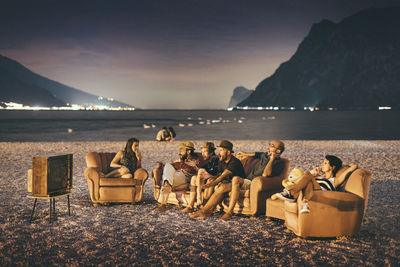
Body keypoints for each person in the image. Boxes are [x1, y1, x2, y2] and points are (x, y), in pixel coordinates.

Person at [219, 140, 286, 220]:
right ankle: (207, 209)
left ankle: (229, 212)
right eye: (269, 145)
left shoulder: (279, 163)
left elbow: (265, 174)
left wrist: (272, 159)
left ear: (278, 151)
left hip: (253, 183)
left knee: (236, 179)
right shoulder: (265, 155)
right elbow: (256, 154)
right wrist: (245, 154)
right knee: (222, 185)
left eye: (271, 146)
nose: (268, 147)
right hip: (247, 180)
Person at [274, 155, 358, 214]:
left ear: (332, 167)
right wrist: (313, 172)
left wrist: (343, 166)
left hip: (322, 194)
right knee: (309, 182)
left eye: (325, 163)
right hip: (311, 192)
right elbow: (299, 180)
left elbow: (354, 166)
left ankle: (289, 191)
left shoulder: (335, 180)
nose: (322, 164)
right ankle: (305, 204)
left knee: (308, 176)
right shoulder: (318, 177)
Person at [189, 140, 245, 220]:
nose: (218, 153)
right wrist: (211, 179)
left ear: (228, 152)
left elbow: (222, 176)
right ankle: (207, 212)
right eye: (219, 150)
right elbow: (218, 175)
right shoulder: (222, 162)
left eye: (221, 150)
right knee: (221, 187)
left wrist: (212, 183)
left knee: (233, 180)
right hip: (230, 183)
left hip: (243, 183)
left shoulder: (234, 162)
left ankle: (228, 213)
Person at [156, 141, 206, 212]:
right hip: (180, 176)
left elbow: (202, 172)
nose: (179, 152)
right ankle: (167, 186)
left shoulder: (198, 159)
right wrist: (162, 166)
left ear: (188, 151)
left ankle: (163, 203)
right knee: (167, 166)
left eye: (181, 150)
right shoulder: (181, 159)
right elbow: (171, 167)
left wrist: (193, 166)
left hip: (189, 179)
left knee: (169, 173)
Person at [180, 142, 219, 213]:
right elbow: (202, 172)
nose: (202, 154)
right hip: (206, 181)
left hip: (215, 181)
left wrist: (208, 175)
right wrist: (195, 167)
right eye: (202, 152)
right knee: (194, 178)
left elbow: (219, 175)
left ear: (211, 153)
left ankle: (203, 204)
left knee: (209, 179)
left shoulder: (216, 160)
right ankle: (190, 206)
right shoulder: (207, 161)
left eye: (205, 151)